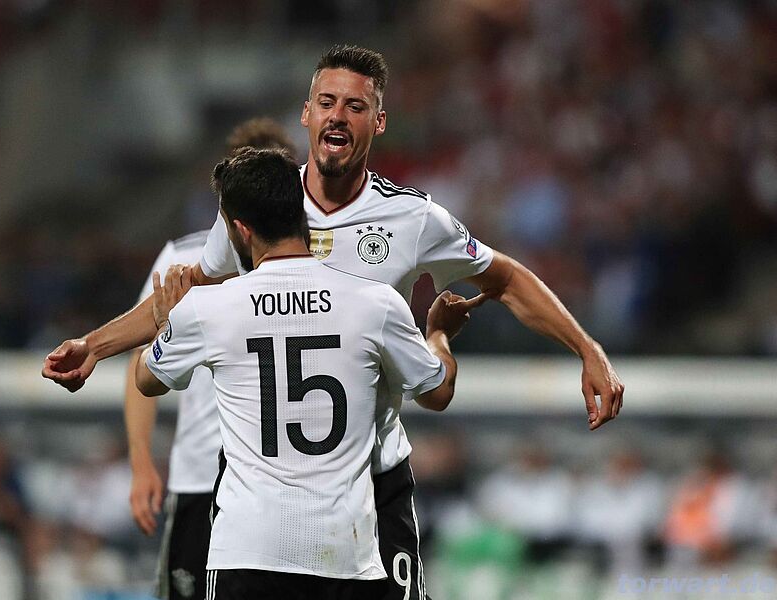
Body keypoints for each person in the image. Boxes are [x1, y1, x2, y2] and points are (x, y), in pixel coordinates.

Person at [43, 45, 625, 599]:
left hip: (371, 478)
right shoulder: (265, 207)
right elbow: (193, 287)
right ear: (306, 114)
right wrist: (94, 346)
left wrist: (586, 348)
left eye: (355, 106)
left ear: (379, 121)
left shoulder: (412, 218)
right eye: (326, 102)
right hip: (271, 485)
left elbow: (506, 278)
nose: (338, 116)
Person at [135, 148, 475, 599]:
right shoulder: (373, 302)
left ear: (241, 230)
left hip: (245, 552)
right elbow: (439, 390)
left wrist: (167, 322)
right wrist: (439, 334)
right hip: (343, 553)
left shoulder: (209, 308)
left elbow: (147, 378)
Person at [125, 118, 296, 600]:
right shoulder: (181, 259)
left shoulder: (312, 265)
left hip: (282, 480)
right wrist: (141, 462)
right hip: (203, 472)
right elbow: (141, 363)